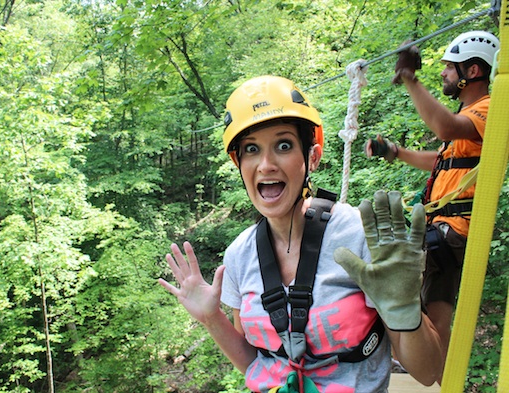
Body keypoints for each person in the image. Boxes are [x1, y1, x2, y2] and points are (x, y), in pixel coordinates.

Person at [159, 75, 443, 392]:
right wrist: (212, 318)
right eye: (251, 149)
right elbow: (257, 363)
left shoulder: (359, 235)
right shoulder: (240, 256)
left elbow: (428, 372)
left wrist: (407, 312)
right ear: (239, 163)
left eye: (283, 145)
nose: (265, 164)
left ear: (312, 158)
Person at [365, 31, 499, 364]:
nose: (443, 73)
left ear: (473, 72)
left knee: (380, 271)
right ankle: (442, 379)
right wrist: (394, 152)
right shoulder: (467, 119)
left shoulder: (488, 108)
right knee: (438, 323)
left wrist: (410, 78)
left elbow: (446, 128)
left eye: (450, 68)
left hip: (453, 230)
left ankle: (396, 354)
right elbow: (440, 159)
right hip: (447, 234)